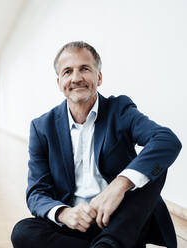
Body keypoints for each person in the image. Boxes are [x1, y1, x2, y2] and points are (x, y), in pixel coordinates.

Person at [10, 41, 182, 248]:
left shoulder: (119, 110)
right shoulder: (42, 127)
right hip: (75, 225)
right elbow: (37, 192)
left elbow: (166, 140)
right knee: (22, 232)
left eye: (84, 69)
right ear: (59, 83)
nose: (76, 78)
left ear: (98, 77)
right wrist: (64, 213)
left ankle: (108, 243)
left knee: (153, 168)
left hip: (120, 221)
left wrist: (119, 186)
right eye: (67, 72)